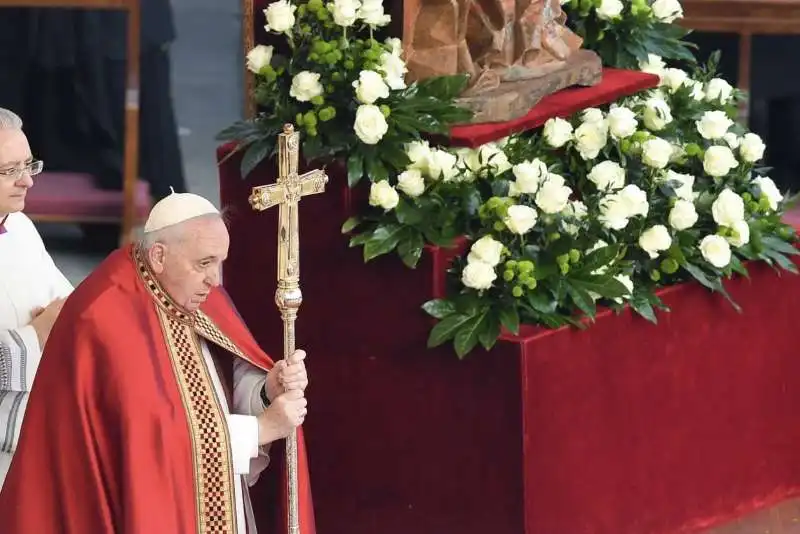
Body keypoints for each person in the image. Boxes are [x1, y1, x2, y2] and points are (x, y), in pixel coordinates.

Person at [0, 192, 315, 533]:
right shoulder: (106, 314)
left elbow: (223, 377)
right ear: (159, 255)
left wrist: (266, 390)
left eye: (219, 262)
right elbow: (148, 442)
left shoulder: (194, 290)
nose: (215, 279)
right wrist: (262, 429)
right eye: (204, 263)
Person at [0, 108, 72, 489]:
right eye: (9, 170)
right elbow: (50, 322)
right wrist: (36, 335)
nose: (27, 180)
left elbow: (68, 306)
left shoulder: (19, 227)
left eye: (29, 165)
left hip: (38, 435)